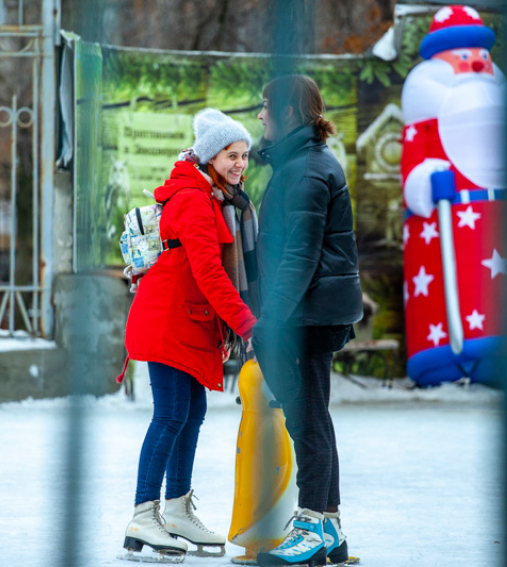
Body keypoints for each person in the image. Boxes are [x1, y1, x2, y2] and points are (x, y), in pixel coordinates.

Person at [121, 108, 258, 560]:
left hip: (184, 319)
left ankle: (177, 509)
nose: (239, 164)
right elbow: (209, 273)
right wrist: (246, 323)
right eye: (230, 155)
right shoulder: (194, 199)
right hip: (168, 319)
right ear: (209, 155)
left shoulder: (207, 192)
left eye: (244, 155)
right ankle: (144, 514)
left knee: (191, 410)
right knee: (171, 414)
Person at [251, 75, 363, 567]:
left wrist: (271, 320)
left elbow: (298, 254)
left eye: (266, 108)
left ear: (291, 113)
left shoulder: (307, 170)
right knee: (312, 416)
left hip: (304, 315)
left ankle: (312, 522)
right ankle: (330, 528)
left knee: (307, 419)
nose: (260, 117)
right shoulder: (303, 163)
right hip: (311, 310)